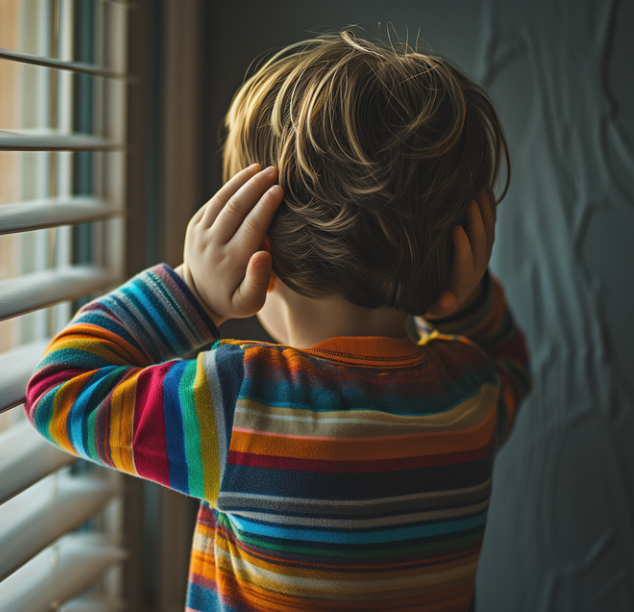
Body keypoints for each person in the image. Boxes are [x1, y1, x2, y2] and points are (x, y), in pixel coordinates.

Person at [26, 29, 532, 612]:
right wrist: (463, 303)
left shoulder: (244, 406)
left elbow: (57, 392)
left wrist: (193, 293)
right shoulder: (469, 393)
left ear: (256, 246)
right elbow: (511, 362)